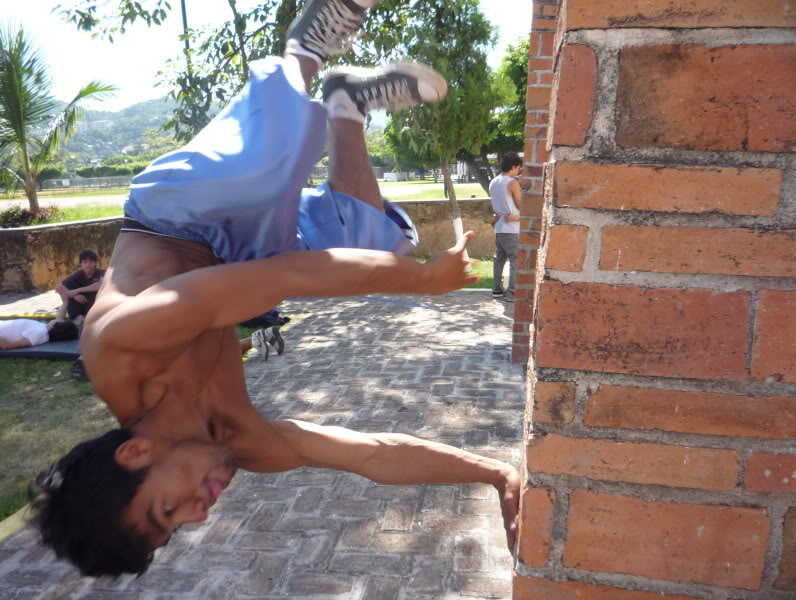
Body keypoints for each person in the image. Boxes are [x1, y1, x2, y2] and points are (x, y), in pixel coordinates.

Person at [28, 0, 520, 578]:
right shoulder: (241, 442)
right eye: (174, 531)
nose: (196, 516)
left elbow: (288, 277)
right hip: (238, 259)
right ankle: (347, 103)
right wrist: (495, 473)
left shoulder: (122, 349)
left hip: (176, 215)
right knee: (374, 243)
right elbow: (371, 455)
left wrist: (422, 283)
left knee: (261, 163)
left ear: (134, 453)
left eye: (166, 510)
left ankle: (306, 50)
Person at [489, 152, 523, 303]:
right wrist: (518, 217)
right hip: (512, 227)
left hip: (500, 226)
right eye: (518, 169)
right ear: (514, 167)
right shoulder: (512, 182)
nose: (518, 172)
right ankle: (512, 293)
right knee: (515, 260)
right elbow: (520, 206)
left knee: (499, 259)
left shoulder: (494, 182)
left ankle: (496, 289)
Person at [55, 249, 105, 320]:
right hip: (82, 304)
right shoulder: (78, 274)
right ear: (81, 264)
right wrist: (75, 296)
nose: (88, 264)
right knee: (69, 294)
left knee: (94, 294)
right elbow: (61, 285)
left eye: (91, 261)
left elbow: (100, 285)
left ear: (95, 263)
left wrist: (77, 291)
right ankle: (76, 320)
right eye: (85, 262)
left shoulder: (101, 272)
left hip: (96, 303)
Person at [0, 318, 79, 350]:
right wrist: (65, 300)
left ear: (55, 326)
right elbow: (60, 316)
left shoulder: (39, 333)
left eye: (60, 320)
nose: (58, 318)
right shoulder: (46, 329)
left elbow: (5, 345)